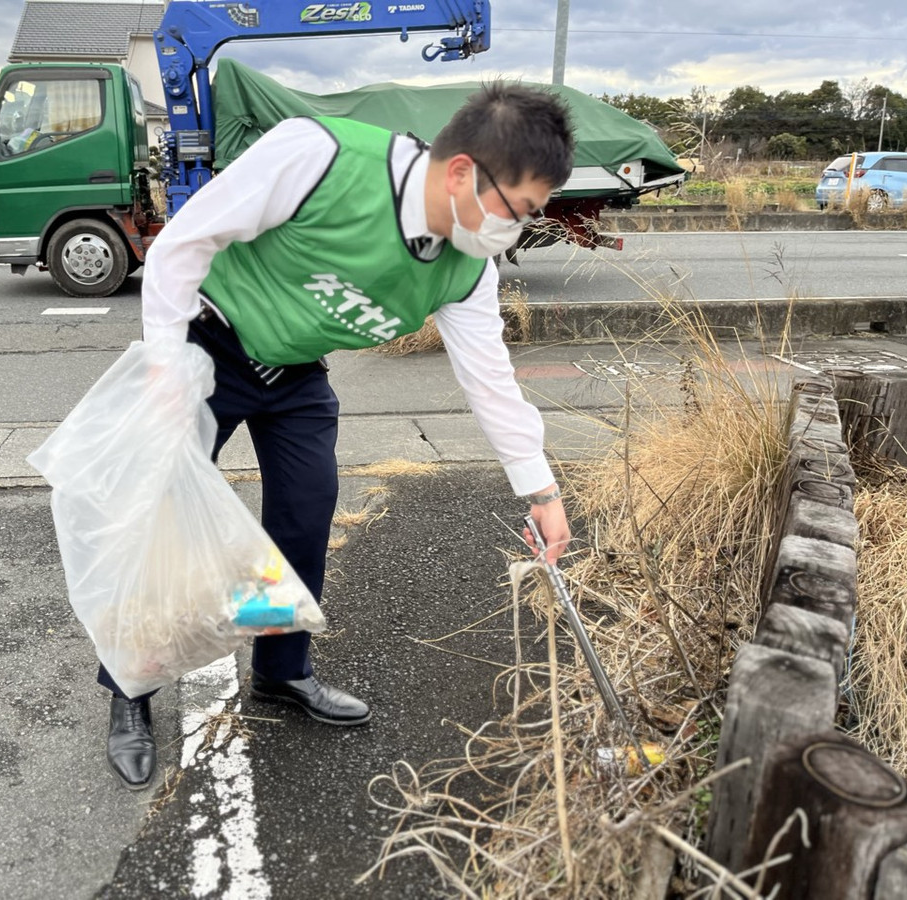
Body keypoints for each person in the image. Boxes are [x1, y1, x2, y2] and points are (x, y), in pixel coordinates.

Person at [102, 82, 575, 790]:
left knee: (304, 512)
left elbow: (489, 378)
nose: (516, 230)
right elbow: (182, 246)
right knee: (163, 521)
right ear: (461, 174)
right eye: (520, 210)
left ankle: (281, 673)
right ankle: (130, 690)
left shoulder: (465, 269)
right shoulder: (317, 154)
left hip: (293, 374)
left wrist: (540, 487)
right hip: (208, 345)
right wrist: (168, 373)